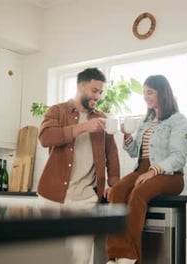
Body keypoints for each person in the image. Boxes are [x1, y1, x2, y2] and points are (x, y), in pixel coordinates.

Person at [36, 67, 121, 264]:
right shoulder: (57, 111)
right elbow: (45, 137)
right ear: (81, 86)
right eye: (94, 90)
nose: (97, 96)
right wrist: (82, 128)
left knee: (80, 259)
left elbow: (112, 153)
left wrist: (114, 183)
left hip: (85, 199)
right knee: (49, 257)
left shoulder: (103, 118)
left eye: (100, 92)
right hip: (52, 196)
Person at [105, 75, 187, 264]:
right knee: (117, 191)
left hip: (170, 175)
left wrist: (154, 171)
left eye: (149, 92)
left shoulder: (178, 120)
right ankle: (115, 255)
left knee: (138, 193)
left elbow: (178, 157)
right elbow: (135, 151)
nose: (145, 97)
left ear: (163, 93)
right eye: (144, 93)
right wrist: (127, 136)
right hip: (142, 169)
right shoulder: (146, 121)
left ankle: (130, 257)